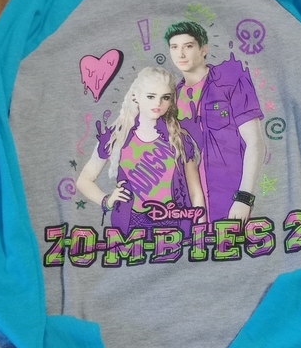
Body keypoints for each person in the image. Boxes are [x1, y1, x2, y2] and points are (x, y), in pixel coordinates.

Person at [77, 66, 205, 235]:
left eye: (165, 97)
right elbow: (84, 180)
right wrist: (106, 201)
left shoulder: (180, 139)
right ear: (135, 96)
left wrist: (201, 233)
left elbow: (195, 193)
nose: (158, 103)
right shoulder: (116, 136)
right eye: (151, 96)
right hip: (131, 225)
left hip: (175, 222)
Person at [165, 20, 265, 224]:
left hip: (228, 197)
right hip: (187, 207)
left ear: (203, 49)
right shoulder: (171, 98)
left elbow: (255, 142)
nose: (180, 54)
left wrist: (244, 197)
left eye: (188, 46)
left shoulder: (230, 80)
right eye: (174, 47)